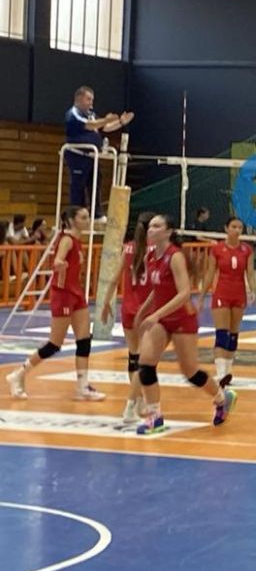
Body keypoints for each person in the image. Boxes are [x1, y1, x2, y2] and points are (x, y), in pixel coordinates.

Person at [133, 214, 236, 434]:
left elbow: (184, 293)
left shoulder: (175, 256)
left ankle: (221, 397)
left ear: (168, 232)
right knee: (146, 364)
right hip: (162, 319)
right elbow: (158, 289)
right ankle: (155, 416)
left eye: (157, 226)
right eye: (150, 226)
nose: (150, 229)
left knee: (190, 371)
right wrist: (143, 311)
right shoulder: (151, 257)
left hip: (181, 318)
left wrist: (155, 315)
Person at [6, 207, 106, 401]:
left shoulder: (77, 240)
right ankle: (18, 374)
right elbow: (57, 260)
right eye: (83, 217)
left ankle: (83, 386)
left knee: (84, 340)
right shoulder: (66, 239)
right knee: (54, 344)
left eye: (88, 217)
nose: (88, 220)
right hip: (63, 294)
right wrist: (59, 264)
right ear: (72, 220)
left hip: (76, 293)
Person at [100, 211, 155, 422]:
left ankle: (138, 400)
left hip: (129, 309)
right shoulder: (157, 250)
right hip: (147, 311)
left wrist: (106, 302)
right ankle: (131, 405)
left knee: (134, 356)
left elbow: (115, 278)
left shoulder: (129, 247)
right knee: (146, 360)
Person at [201, 216, 256, 387]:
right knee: (222, 334)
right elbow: (210, 273)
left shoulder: (247, 250)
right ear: (226, 228)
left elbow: (250, 273)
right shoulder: (217, 249)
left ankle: (228, 372)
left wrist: (253, 291)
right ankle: (220, 374)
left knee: (233, 335)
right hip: (222, 293)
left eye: (240, 228)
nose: (237, 230)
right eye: (234, 227)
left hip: (239, 294)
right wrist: (202, 295)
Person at [64, 85, 133, 212]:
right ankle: (76, 213)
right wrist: (106, 119)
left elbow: (104, 127)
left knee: (95, 183)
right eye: (88, 99)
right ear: (79, 99)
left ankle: (96, 213)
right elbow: (90, 125)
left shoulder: (91, 114)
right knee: (78, 186)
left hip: (92, 156)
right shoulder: (73, 113)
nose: (91, 103)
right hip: (78, 156)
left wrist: (120, 122)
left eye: (92, 99)